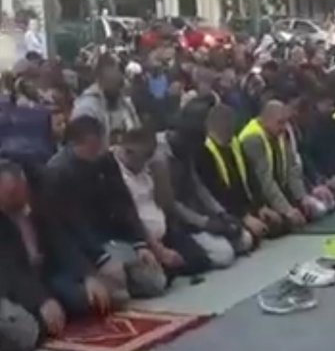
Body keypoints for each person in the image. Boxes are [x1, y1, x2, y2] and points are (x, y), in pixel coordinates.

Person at [45, 115, 167, 302]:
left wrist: (140, 243)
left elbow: (123, 203)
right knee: (114, 296)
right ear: (76, 143)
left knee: (155, 282)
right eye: (93, 147)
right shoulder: (57, 172)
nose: (99, 151)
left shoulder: (105, 160)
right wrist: (101, 258)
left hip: (113, 238)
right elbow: (72, 226)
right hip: (84, 247)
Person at [0, 160, 113, 351]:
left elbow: (62, 244)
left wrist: (87, 275)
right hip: (16, 286)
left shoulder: (39, 203)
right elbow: (12, 272)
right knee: (28, 330)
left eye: (15, 192)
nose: (12, 199)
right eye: (7, 194)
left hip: (46, 273)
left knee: (89, 299)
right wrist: (42, 300)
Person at [114, 126, 211, 278]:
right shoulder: (115, 172)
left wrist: (160, 175)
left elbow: (166, 203)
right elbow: (130, 218)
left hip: (164, 231)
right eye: (144, 157)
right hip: (141, 239)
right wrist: (158, 249)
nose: (146, 162)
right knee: (158, 279)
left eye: (149, 156)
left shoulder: (149, 167)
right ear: (128, 152)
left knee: (200, 261)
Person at [159, 102, 245, 267]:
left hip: (196, 214)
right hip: (174, 223)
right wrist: (204, 223)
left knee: (243, 240)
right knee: (224, 255)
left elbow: (198, 186)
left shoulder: (187, 150)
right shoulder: (160, 156)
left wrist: (221, 213)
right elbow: (171, 204)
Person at [238, 98, 326, 230]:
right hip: (261, 199)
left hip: (282, 190)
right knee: (281, 223)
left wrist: (302, 197)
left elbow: (292, 169)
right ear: (266, 119)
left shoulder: (278, 133)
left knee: (317, 208)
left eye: (286, 122)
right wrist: (286, 209)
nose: (284, 127)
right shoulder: (253, 139)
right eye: (280, 122)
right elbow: (265, 181)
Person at [195, 103, 277, 243]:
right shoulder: (204, 152)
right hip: (226, 212)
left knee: (277, 224)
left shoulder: (234, 144)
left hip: (246, 206)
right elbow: (218, 193)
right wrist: (244, 217)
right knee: (247, 240)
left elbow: (251, 178)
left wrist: (260, 206)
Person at [73, 54, 141, 143]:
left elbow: (138, 133)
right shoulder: (86, 107)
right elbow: (84, 143)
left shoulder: (125, 104)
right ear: (100, 80)